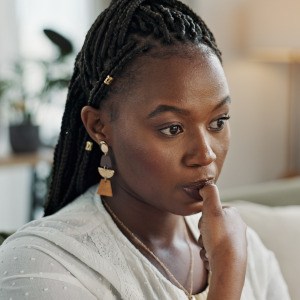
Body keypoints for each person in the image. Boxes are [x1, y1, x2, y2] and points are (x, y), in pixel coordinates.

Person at [0, 0, 290, 299]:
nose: (205, 155)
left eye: (218, 122)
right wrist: (228, 273)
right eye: (172, 128)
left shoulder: (244, 245)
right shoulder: (43, 263)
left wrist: (234, 257)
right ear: (99, 126)